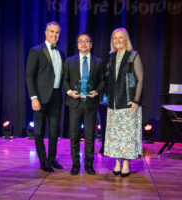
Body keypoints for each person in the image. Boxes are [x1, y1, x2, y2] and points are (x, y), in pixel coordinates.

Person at [104, 28, 144, 177]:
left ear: (126, 40)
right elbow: (108, 78)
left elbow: (140, 79)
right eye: (115, 38)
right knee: (115, 135)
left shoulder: (133, 55)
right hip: (113, 103)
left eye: (121, 38)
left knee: (126, 136)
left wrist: (136, 100)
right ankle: (117, 161)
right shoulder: (111, 57)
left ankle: (126, 162)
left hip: (128, 102)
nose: (118, 40)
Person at [26, 21, 65, 172]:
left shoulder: (61, 53)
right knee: (39, 131)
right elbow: (29, 76)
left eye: (57, 32)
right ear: (46, 33)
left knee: (54, 130)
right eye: (52, 31)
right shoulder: (36, 51)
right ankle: (43, 161)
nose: (54, 35)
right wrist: (33, 97)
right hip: (40, 97)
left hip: (56, 96)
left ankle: (52, 159)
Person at [63, 33, 105, 175]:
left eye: (87, 41)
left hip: (91, 104)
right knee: (74, 136)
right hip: (74, 103)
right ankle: (75, 164)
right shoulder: (69, 61)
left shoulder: (98, 62)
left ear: (91, 44)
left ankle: (89, 164)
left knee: (89, 136)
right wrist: (69, 92)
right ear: (77, 44)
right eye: (81, 41)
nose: (84, 44)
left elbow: (102, 81)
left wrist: (96, 91)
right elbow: (65, 80)